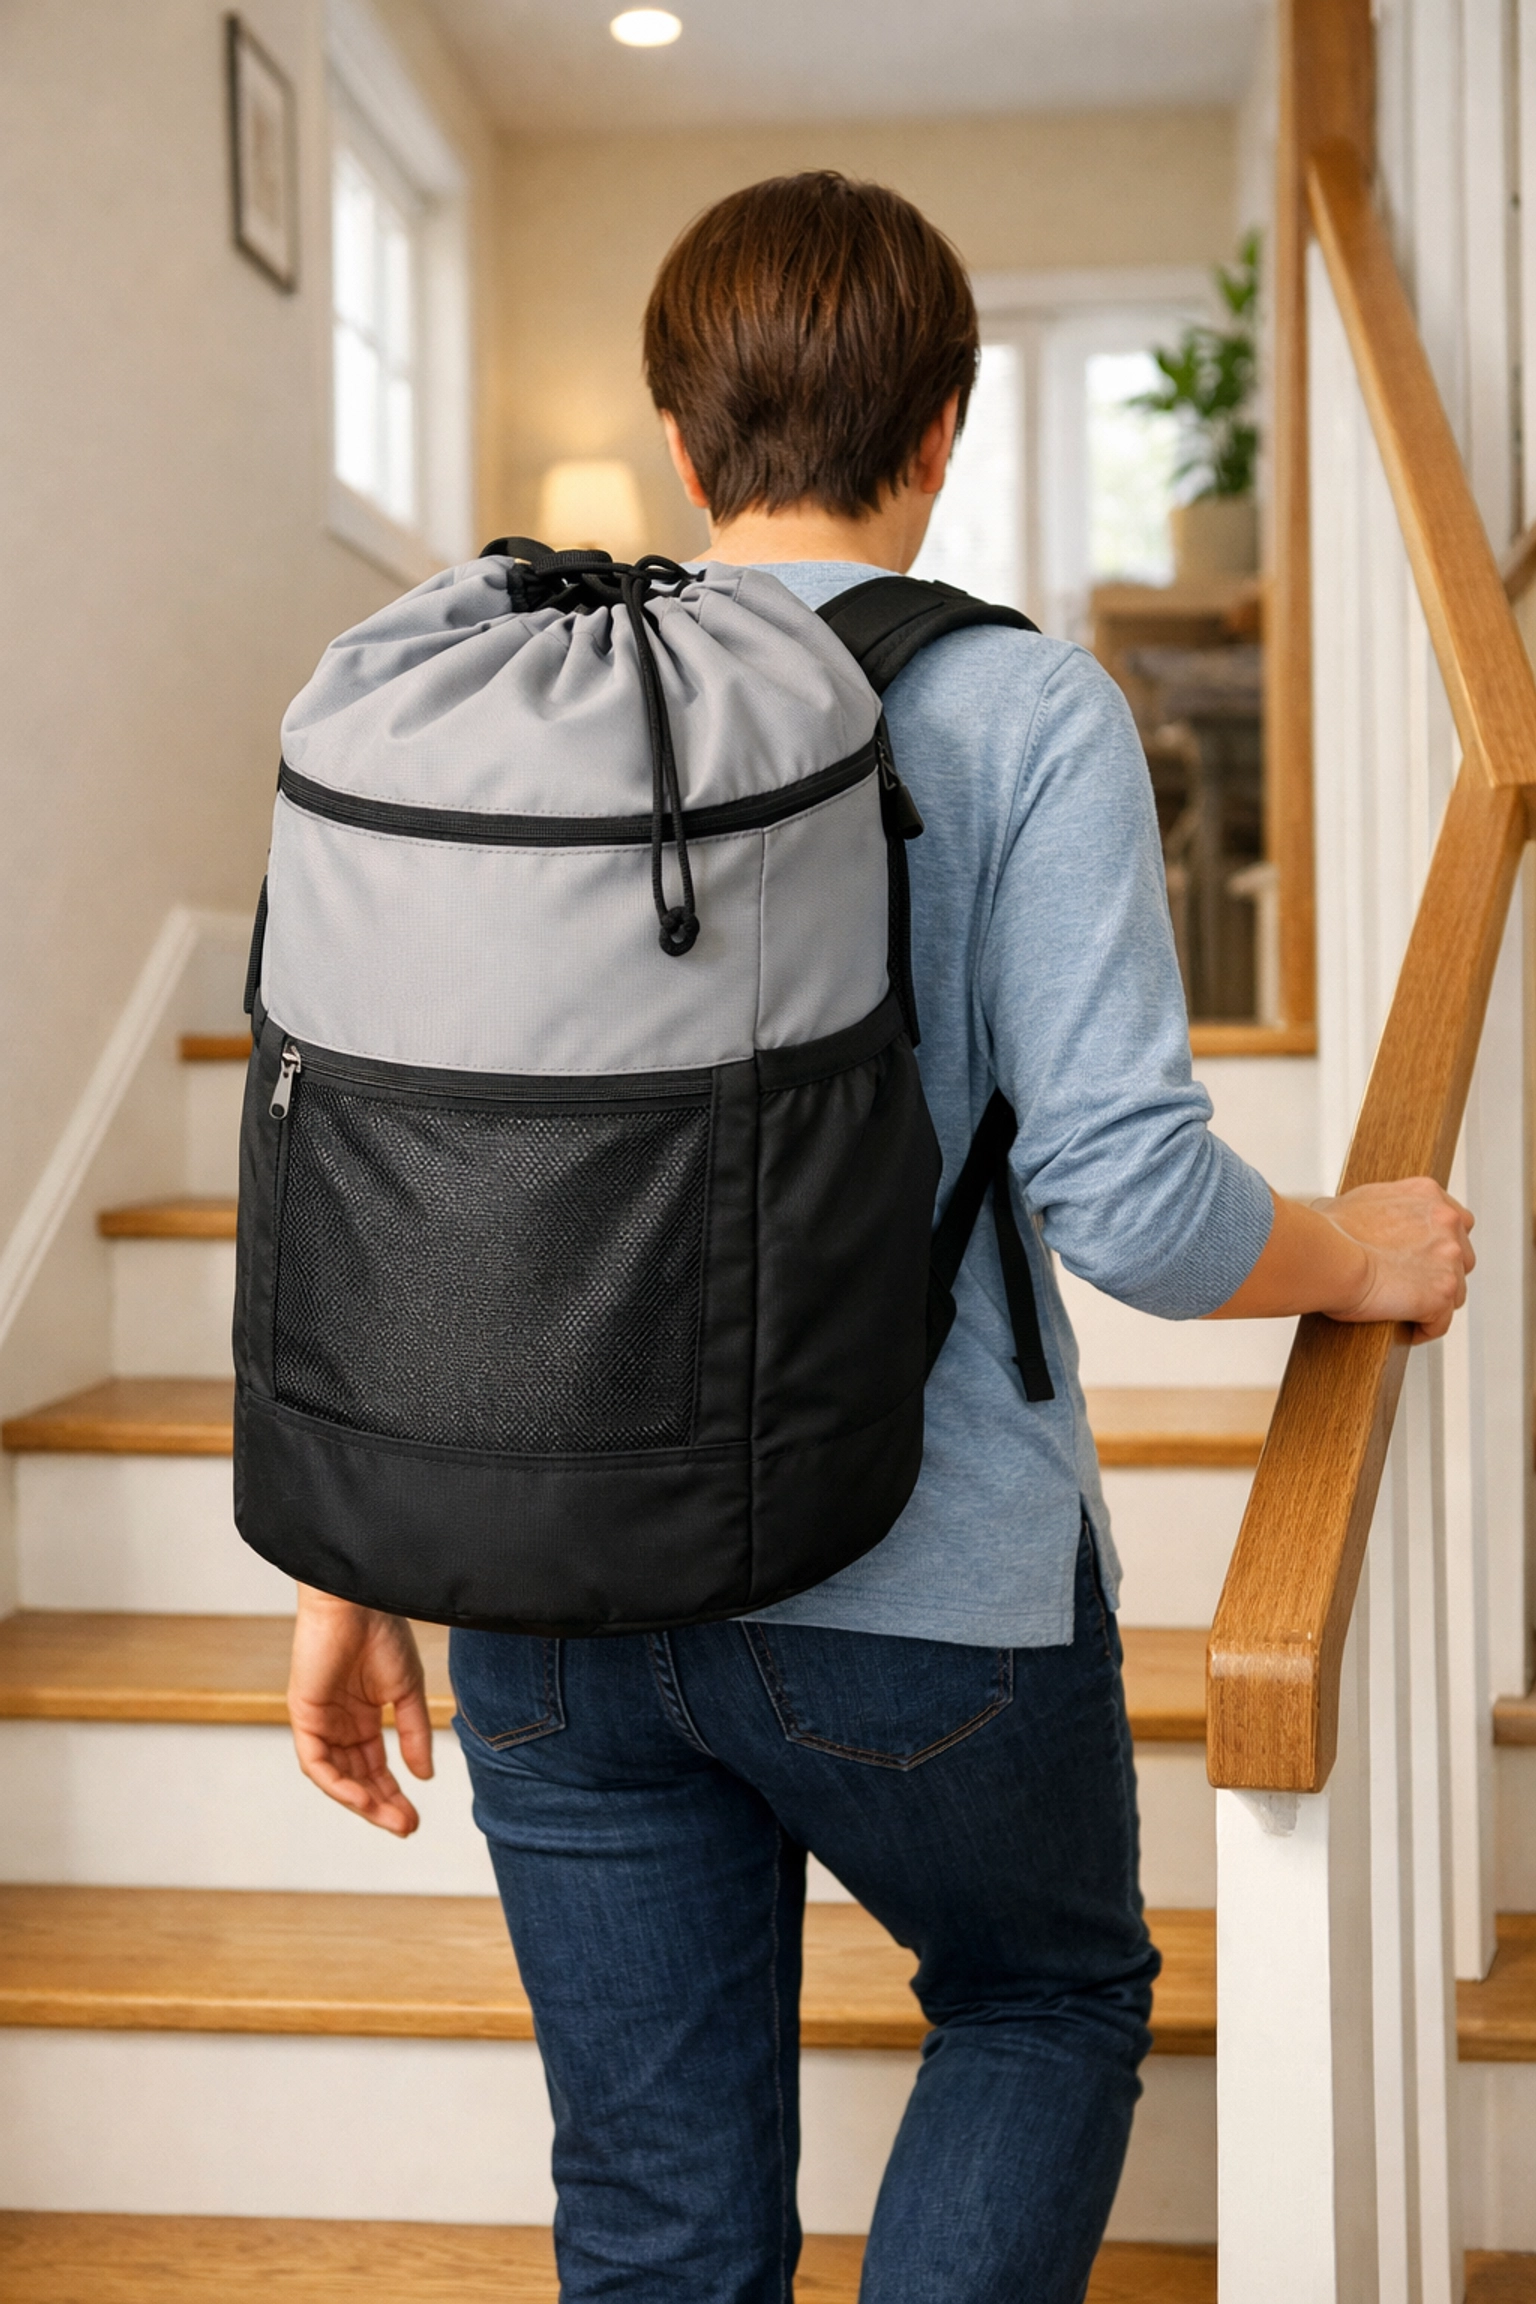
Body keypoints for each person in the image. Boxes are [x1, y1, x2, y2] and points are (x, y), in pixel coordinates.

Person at [285, 174, 1475, 2303]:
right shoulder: (1024, 714)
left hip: (536, 1594)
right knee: (1043, 2001)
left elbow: (401, 1179)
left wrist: (350, 1562)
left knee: (655, 2210)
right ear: (944, 429)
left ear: (680, 444)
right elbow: (1130, 1201)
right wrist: (1361, 1256)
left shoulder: (510, 720)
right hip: (921, 1587)